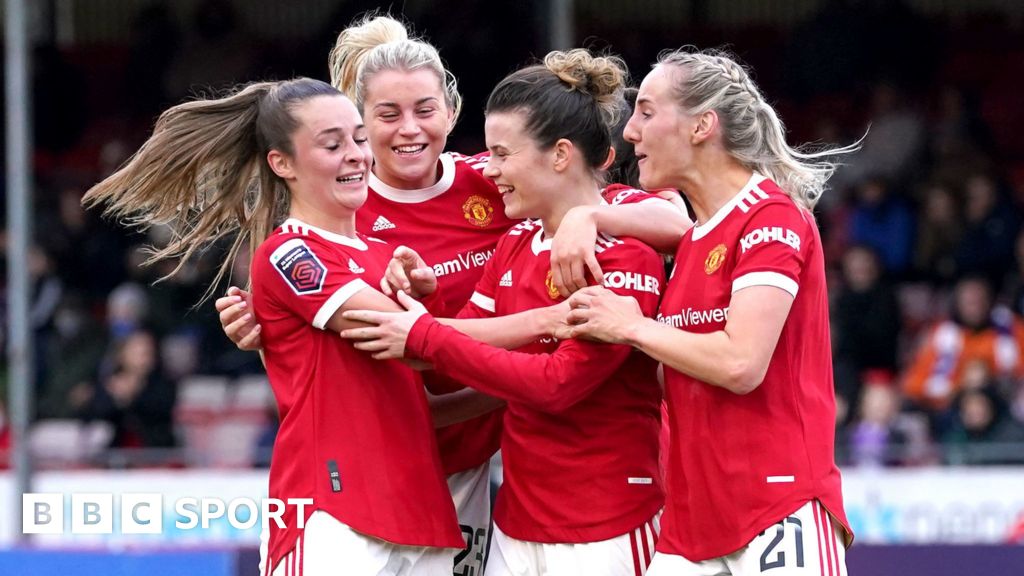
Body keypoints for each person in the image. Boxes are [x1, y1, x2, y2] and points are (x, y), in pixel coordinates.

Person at [215, 15, 690, 575]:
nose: (409, 129)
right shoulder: (337, 211)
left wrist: (590, 214)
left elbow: (673, 220)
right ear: (360, 121)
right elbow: (350, 331)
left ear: (450, 110)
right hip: (367, 468)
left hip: (473, 464)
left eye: (424, 110)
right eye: (386, 116)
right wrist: (262, 326)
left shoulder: (493, 184)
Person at [83, 78, 463, 575]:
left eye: (358, 138)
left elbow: (423, 393)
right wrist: (550, 329)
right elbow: (424, 343)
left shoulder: (386, 257)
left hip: (419, 515)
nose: (355, 154)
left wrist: (542, 379)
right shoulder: (291, 252)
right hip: (333, 512)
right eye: (333, 144)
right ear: (281, 163)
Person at [341, 49, 666, 576]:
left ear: (560, 155)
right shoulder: (515, 241)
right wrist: (427, 308)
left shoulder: (624, 250)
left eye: (501, 154)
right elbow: (452, 364)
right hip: (517, 520)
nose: (488, 170)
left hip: (605, 521)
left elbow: (557, 385)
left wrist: (423, 334)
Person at [558, 48, 857, 575]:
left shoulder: (773, 216)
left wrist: (631, 326)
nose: (630, 132)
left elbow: (740, 364)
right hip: (692, 525)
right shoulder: (695, 240)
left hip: (776, 512)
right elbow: (673, 376)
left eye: (647, 112)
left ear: (701, 126)